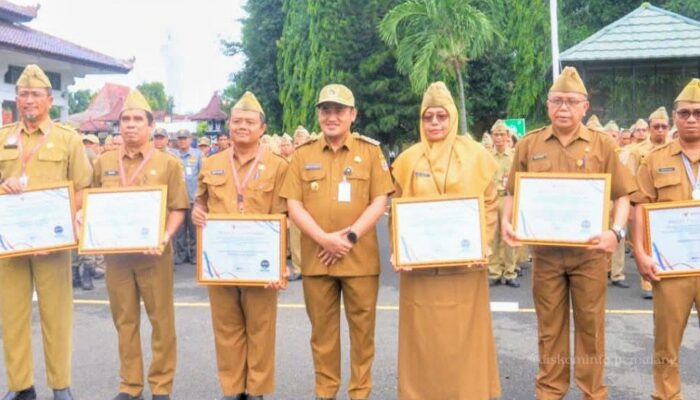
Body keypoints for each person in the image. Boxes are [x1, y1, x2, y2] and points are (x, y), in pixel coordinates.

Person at [501, 67, 635, 399]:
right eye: (557, 100)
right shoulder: (530, 144)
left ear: (584, 107)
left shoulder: (602, 145)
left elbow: (623, 195)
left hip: (589, 256)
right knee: (549, 329)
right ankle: (550, 391)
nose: (563, 107)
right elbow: (512, 193)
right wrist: (508, 221)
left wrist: (615, 233)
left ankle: (592, 392)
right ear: (547, 105)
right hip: (545, 257)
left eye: (571, 101)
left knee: (591, 329)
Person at [279, 84, 393, 400]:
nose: (332, 117)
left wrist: (351, 236)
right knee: (322, 335)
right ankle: (326, 392)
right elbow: (293, 204)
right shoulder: (303, 154)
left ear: (352, 115)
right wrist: (323, 239)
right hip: (318, 259)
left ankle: (360, 393)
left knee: (362, 334)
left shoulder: (370, 152)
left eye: (339, 110)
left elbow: (380, 200)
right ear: (318, 114)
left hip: (359, 260)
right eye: (325, 110)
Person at [391, 81, 501, 400]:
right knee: (423, 342)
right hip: (420, 272)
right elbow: (396, 210)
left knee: (466, 341)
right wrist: (399, 249)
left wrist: (484, 241)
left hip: (465, 268)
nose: (435, 123)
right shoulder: (408, 160)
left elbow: (490, 202)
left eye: (441, 116)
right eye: (428, 117)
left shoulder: (476, 156)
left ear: (452, 117)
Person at [0, 64, 92, 400]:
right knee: (11, 315)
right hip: (9, 244)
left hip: (52, 244)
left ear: (49, 100)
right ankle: (20, 385)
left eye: (35, 94)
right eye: (23, 94)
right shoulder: (2, 137)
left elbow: (83, 189)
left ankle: (60, 385)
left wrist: (55, 230)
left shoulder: (68, 140)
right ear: (16, 99)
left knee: (57, 315)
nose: (28, 100)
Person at [91, 89, 189, 400]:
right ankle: (130, 385)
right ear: (119, 125)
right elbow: (91, 202)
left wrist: (165, 237)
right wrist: (85, 221)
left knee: (161, 322)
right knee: (125, 321)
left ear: (150, 126)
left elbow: (178, 208)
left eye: (137, 120)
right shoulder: (103, 161)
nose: (130, 125)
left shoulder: (167, 163)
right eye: (125, 119)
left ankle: (161, 386)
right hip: (117, 258)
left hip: (154, 256)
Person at [192, 91, 288, 400]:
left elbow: (284, 215)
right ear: (228, 126)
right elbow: (201, 203)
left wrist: (281, 262)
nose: (242, 126)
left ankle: (256, 390)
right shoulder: (212, 163)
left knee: (261, 328)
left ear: (262, 128)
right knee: (226, 327)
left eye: (249, 121)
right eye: (236, 121)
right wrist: (198, 213)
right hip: (220, 261)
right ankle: (232, 389)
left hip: (260, 261)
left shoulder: (278, 166)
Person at [631, 78, 700, 400]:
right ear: (674, 116)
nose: (691, 119)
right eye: (684, 113)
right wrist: (642, 253)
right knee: (666, 344)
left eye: (698, 113)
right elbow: (639, 207)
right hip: (671, 268)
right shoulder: (655, 159)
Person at [487, 119, 519, 288]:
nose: (498, 138)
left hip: (508, 198)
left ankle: (510, 272)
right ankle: (494, 272)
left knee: (509, 237)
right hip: (492, 199)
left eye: (501, 134)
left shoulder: (514, 157)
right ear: (492, 137)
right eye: (495, 135)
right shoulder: (486, 157)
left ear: (508, 136)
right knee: (492, 237)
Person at [173, 129, 202, 264]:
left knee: (194, 229)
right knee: (179, 230)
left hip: (192, 198)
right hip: (178, 199)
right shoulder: (173, 156)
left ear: (190, 140)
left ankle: (195, 254)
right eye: (180, 139)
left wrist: (200, 199)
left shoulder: (198, 155)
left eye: (185, 138)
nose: (182, 141)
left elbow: (202, 177)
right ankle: (181, 254)